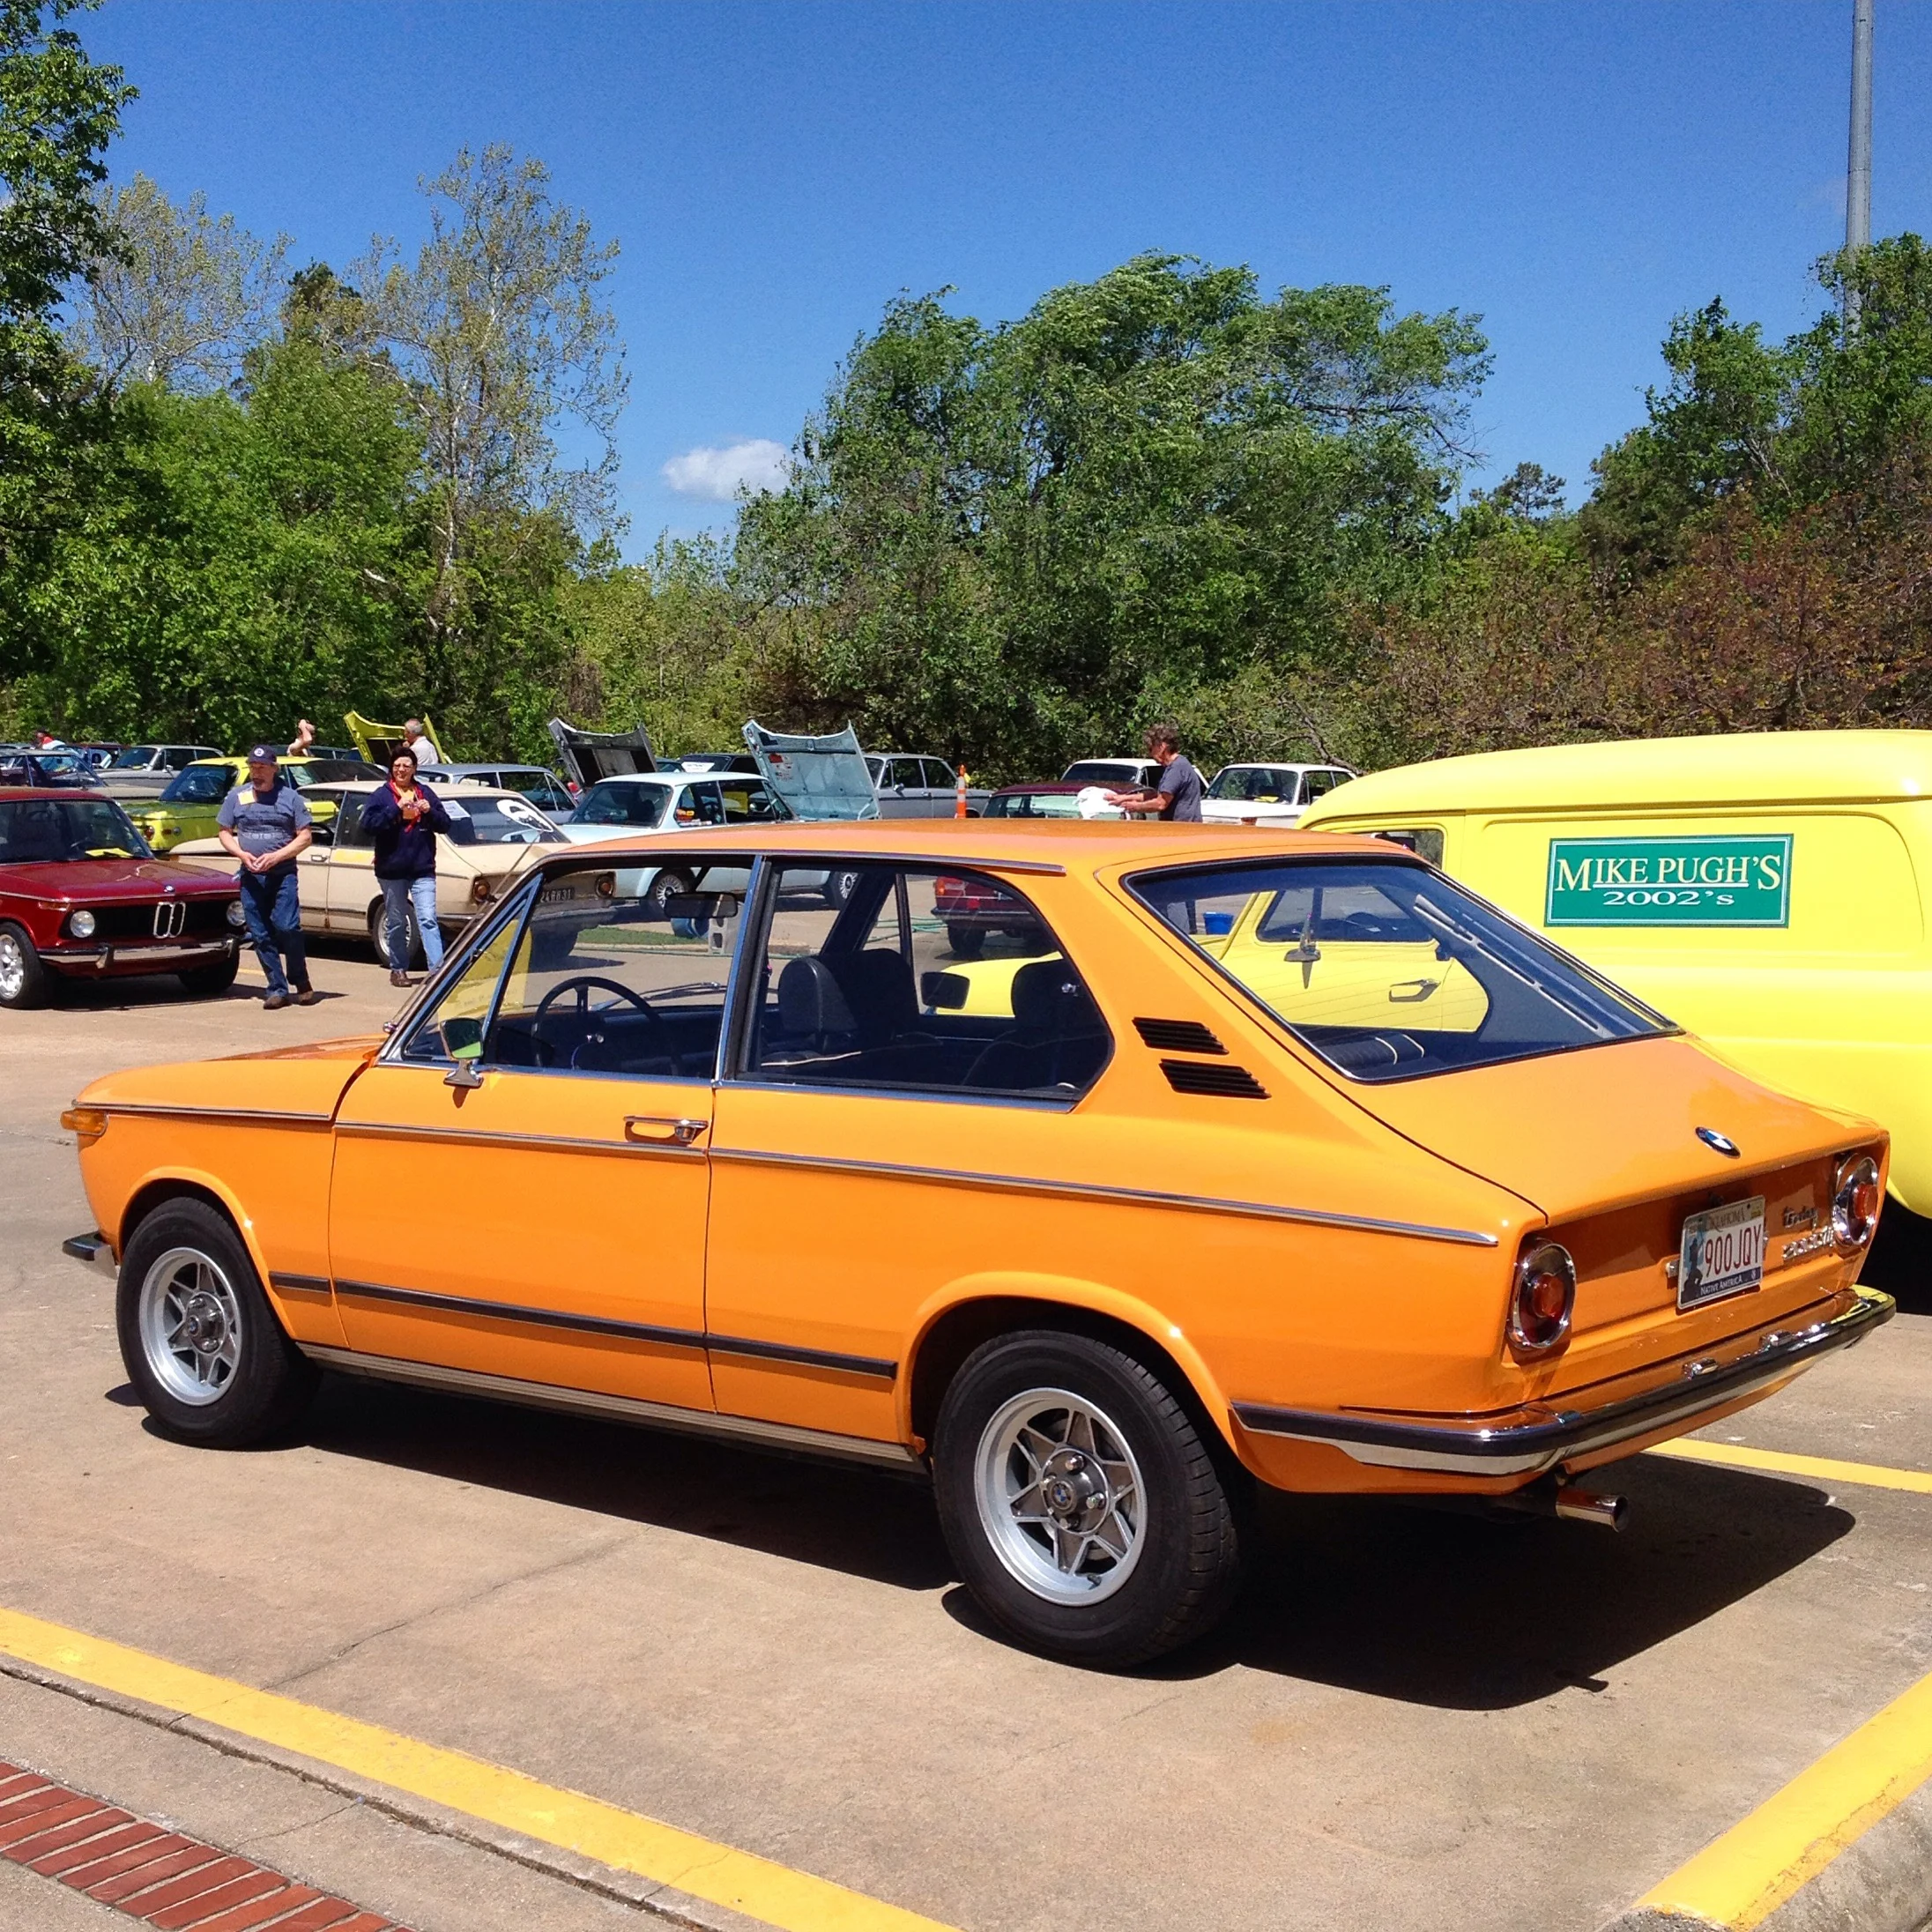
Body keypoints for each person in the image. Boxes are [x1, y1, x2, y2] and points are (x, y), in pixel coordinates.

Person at [217, 744, 316, 1009]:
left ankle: (300, 977)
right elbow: (224, 831)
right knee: (260, 934)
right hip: (251, 876)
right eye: (253, 767)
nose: (256, 773)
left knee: (287, 927)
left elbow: (305, 837)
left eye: (262, 768)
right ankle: (277, 988)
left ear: (274, 769)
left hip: (282, 874)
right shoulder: (237, 797)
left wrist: (277, 856)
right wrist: (241, 854)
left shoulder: (290, 798)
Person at [360, 746, 450, 986]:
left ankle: (437, 971)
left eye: (406, 766)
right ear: (391, 769)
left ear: (414, 769)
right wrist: (395, 809)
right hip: (392, 870)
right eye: (397, 766)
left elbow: (445, 824)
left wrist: (430, 812)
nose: (401, 770)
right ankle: (398, 968)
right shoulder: (382, 795)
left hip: (422, 868)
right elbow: (368, 826)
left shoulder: (425, 792)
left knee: (428, 918)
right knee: (398, 920)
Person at [1107, 723, 1203, 822]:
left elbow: (1161, 803)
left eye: (1151, 749)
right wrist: (1123, 798)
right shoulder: (1175, 766)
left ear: (1162, 746)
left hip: (1183, 831)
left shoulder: (1177, 768)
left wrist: (1135, 806)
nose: (1150, 754)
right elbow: (1156, 795)